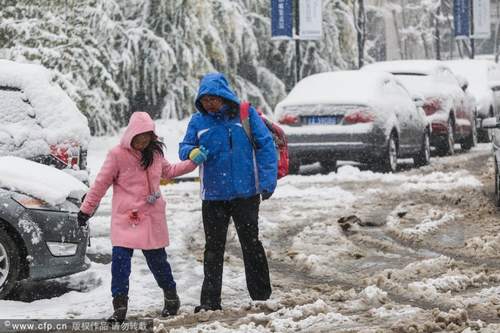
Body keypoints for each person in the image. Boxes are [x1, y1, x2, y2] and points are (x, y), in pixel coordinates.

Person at [77, 112, 208, 323]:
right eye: (139, 137)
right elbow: (100, 184)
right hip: (126, 218)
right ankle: (119, 307)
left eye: (147, 137)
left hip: (151, 217)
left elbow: (170, 171)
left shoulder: (155, 154)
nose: (143, 142)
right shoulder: (117, 155)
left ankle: (171, 296)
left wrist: (193, 163)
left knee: (158, 262)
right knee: (120, 263)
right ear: (131, 135)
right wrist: (86, 210)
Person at [179, 72, 278, 313]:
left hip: (246, 193)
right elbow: (184, 147)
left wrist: (267, 181)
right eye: (204, 100)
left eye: (213, 99)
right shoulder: (198, 121)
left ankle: (261, 296)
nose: (209, 104)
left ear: (224, 96)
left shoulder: (245, 115)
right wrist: (191, 153)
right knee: (213, 249)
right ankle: (210, 302)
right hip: (213, 196)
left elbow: (266, 145)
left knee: (251, 244)